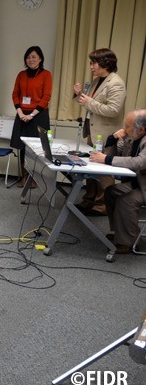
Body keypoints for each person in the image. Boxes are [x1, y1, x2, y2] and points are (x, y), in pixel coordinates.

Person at [73, 48, 127, 216]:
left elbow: (113, 110)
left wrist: (88, 102)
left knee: (103, 171)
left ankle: (102, 205)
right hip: (92, 131)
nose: (91, 66)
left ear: (105, 63)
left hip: (106, 135)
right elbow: (88, 102)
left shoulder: (116, 83)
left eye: (93, 63)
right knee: (90, 168)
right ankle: (89, 199)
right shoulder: (98, 80)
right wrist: (78, 94)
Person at [89, 109, 146, 254]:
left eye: (127, 126)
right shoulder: (132, 136)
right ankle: (120, 234)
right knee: (111, 192)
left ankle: (127, 243)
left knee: (127, 200)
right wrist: (112, 140)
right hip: (138, 183)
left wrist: (106, 159)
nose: (123, 129)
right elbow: (118, 154)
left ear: (141, 129)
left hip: (143, 185)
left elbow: (139, 162)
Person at [9, 46, 52, 189]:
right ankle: (25, 176)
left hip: (39, 116)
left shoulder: (46, 75)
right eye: (28, 57)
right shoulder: (21, 75)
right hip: (22, 115)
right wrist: (21, 113)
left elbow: (46, 97)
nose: (31, 60)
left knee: (37, 148)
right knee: (22, 148)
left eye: (34, 57)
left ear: (40, 58)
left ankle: (35, 178)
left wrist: (32, 114)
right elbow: (15, 94)